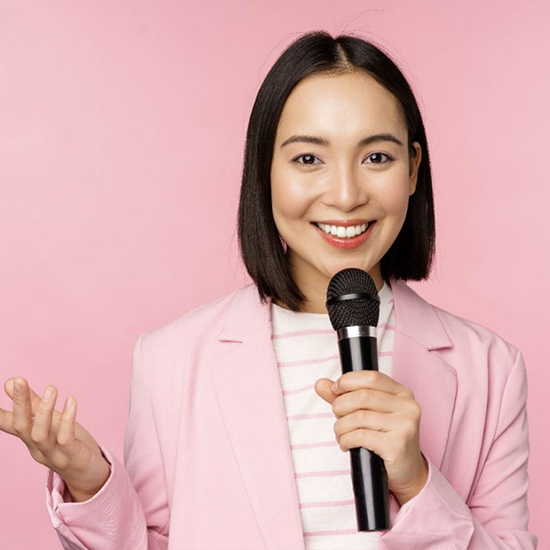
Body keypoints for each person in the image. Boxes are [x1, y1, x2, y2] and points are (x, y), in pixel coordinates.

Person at [1, 30, 537, 550]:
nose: (346, 195)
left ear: (414, 169)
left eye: (376, 157)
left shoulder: (489, 369)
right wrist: (91, 484)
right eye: (309, 158)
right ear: (265, 171)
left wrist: (418, 482)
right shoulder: (170, 360)